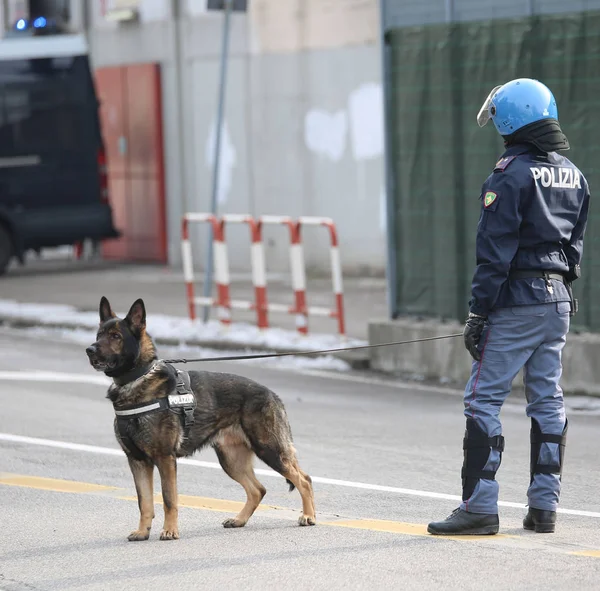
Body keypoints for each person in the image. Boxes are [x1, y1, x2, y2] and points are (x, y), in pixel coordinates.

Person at [427, 78, 590, 535]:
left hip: (515, 301)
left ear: (510, 118)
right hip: (558, 301)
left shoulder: (509, 174)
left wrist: (479, 312)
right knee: (547, 401)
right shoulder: (574, 175)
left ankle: (480, 507)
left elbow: (494, 252)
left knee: (482, 401)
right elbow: (574, 246)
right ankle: (544, 508)